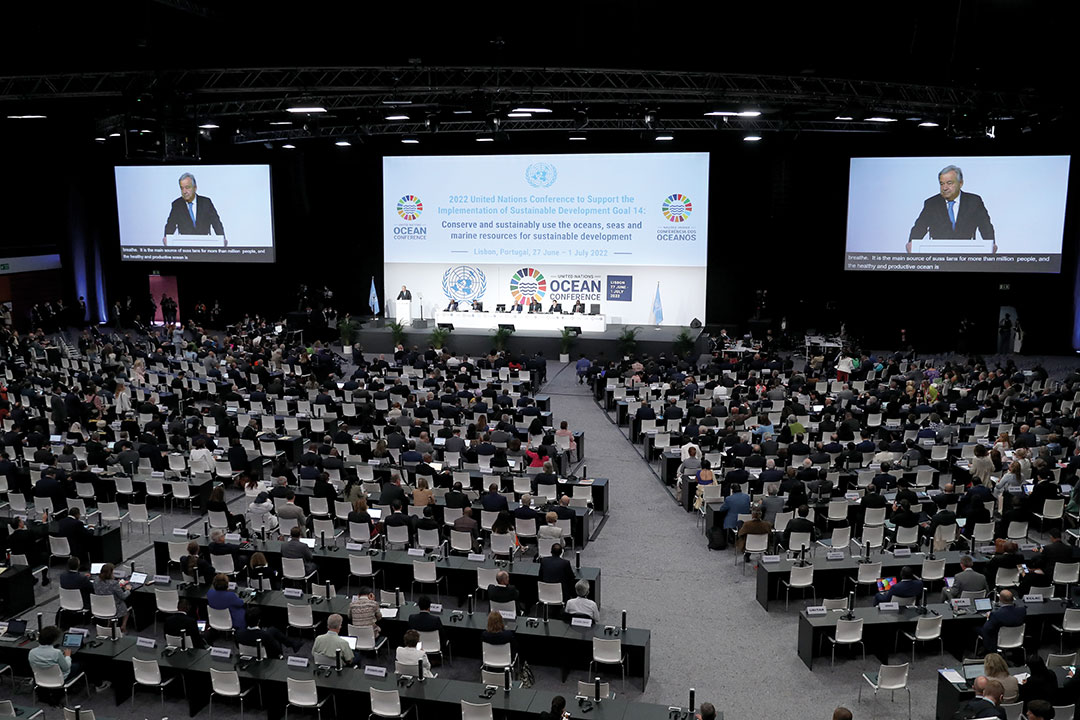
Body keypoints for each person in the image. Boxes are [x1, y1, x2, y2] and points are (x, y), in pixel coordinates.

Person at [907, 164, 995, 253]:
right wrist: (911, 244)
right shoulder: (931, 203)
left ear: (960, 183)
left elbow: (985, 227)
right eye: (942, 184)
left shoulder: (974, 201)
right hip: (938, 254)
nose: (944, 188)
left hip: (966, 254)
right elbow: (920, 227)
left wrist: (991, 244)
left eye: (949, 183)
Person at [163, 172, 225, 244]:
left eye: (187, 187)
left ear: (195, 188)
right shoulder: (177, 205)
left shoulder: (206, 202)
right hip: (185, 245)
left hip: (204, 244)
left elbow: (216, 223)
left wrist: (222, 239)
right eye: (182, 188)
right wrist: (166, 238)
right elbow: (170, 225)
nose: (184, 191)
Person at [92, 563, 132, 632]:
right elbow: (123, 596)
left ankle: (110, 624)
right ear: (110, 573)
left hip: (100, 606)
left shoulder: (96, 581)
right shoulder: (114, 584)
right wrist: (128, 590)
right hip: (115, 607)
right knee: (126, 608)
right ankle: (123, 626)